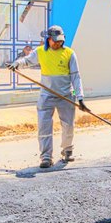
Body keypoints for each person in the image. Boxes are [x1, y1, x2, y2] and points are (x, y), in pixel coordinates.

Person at [8, 25, 87, 169]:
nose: (58, 43)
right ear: (48, 39)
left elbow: (76, 77)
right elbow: (26, 61)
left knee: (68, 125)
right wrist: (16, 63)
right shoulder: (40, 52)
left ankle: (67, 150)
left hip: (66, 95)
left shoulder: (70, 53)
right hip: (47, 95)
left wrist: (79, 97)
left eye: (60, 41)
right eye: (55, 41)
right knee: (44, 126)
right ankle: (46, 156)